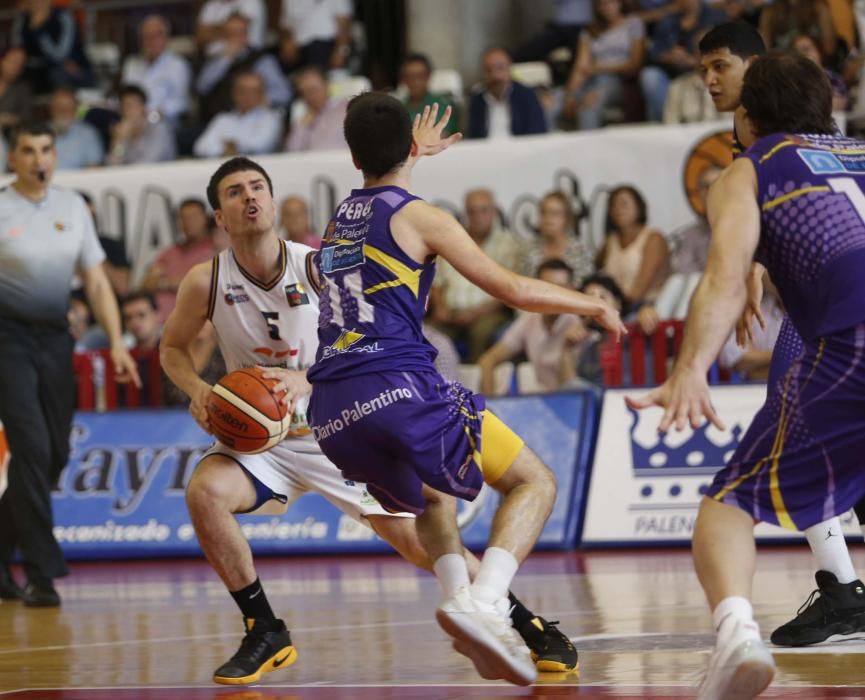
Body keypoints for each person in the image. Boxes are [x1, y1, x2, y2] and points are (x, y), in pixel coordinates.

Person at [160, 156, 579, 685]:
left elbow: (364, 334)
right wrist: (198, 390)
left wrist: (309, 381)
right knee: (204, 493)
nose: (250, 198)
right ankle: (264, 629)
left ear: (271, 198)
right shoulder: (206, 281)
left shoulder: (318, 265)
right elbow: (172, 348)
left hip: (338, 427)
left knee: (416, 543)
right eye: (235, 192)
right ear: (219, 216)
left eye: (258, 187)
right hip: (266, 438)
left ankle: (523, 621)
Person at [307, 97, 624, 685]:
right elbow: (512, 288)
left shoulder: (337, 220)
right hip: (395, 386)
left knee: (431, 497)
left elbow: (384, 201)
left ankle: (459, 596)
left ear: (352, 157)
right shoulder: (425, 217)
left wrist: (406, 155)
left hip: (330, 410)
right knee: (534, 481)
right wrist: (590, 301)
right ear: (408, 148)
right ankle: (484, 602)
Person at [627, 51, 865, 699]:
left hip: (848, 344)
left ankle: (736, 635)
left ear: (746, 116)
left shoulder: (747, 169)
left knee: (727, 505)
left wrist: (689, 369)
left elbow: (722, 279)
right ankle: (841, 592)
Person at [698, 21, 865, 648]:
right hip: (827, 304)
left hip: (834, 324)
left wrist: (743, 275)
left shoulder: (765, 150)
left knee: (793, 419)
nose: (712, 81)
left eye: (721, 68)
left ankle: (844, 591)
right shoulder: (828, 145)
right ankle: (842, 584)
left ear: (755, 72)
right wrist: (757, 271)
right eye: (704, 71)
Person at [0, 122, 139, 607]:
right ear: (12, 158)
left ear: (55, 156)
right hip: (7, 339)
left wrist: (118, 342)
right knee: (32, 449)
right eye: (28, 151)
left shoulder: (72, 207)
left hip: (56, 340)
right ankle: (42, 573)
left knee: (54, 453)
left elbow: (97, 282)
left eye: (45, 150)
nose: (38, 159)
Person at [429, 188, 520, 362]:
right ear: (465, 213)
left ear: (494, 212)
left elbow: (509, 290)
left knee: (481, 332)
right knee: (429, 334)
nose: (477, 216)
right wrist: (440, 308)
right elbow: (437, 282)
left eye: (483, 210)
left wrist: (475, 314)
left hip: (487, 313)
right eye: (472, 211)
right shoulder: (451, 240)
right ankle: (432, 385)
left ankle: (475, 383)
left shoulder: (508, 245)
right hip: (451, 313)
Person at [477, 259, 587, 394]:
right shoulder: (529, 319)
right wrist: (488, 408)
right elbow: (487, 360)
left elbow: (573, 391)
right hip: (545, 401)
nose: (554, 295)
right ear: (534, 287)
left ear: (572, 290)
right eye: (547, 287)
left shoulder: (581, 323)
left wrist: (566, 351)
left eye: (561, 288)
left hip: (579, 401)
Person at [638, 165, 721, 334]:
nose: (711, 190)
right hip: (694, 297)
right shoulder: (690, 234)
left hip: (727, 299)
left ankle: (673, 333)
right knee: (682, 280)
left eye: (717, 183)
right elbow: (681, 272)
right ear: (699, 193)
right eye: (705, 186)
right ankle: (666, 328)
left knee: (696, 279)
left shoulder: (744, 225)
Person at [560, 0, 645, 130]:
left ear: (620, 3)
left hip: (617, 80)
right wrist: (569, 95)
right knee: (552, 104)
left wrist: (599, 68)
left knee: (589, 106)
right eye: (602, 4)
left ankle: (590, 149)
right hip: (589, 80)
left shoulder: (633, 23)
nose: (607, 7)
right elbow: (581, 67)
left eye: (611, 2)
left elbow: (635, 63)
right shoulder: (590, 31)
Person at [196, 13, 291, 125]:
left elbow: (284, 94)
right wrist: (226, 60)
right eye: (229, 33)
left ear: (246, 35)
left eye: (239, 33)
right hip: (215, 123)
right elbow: (202, 87)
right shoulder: (216, 59)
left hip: (249, 122)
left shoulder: (262, 60)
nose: (234, 37)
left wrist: (256, 99)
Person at [141, 198, 216, 322]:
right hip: (157, 325)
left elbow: (202, 284)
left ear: (205, 218)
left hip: (196, 325)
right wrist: (175, 282)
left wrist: (163, 282)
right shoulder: (170, 252)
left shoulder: (216, 248)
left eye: (193, 217)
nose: (188, 222)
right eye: (183, 218)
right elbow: (146, 284)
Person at [596, 185, 668, 306]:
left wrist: (615, 305)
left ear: (639, 207)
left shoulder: (653, 238)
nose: (618, 209)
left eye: (624, 204)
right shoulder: (610, 241)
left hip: (646, 309)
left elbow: (640, 289)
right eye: (613, 205)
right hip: (614, 306)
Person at [120, 15, 192, 126]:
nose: (150, 41)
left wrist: (151, 116)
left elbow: (180, 103)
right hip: (131, 120)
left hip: (161, 122)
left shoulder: (178, 65)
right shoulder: (131, 63)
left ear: (166, 38)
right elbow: (125, 95)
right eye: (146, 36)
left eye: (155, 36)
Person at [194, 71, 283, 159]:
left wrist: (230, 145)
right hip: (221, 167)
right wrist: (228, 148)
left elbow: (260, 147)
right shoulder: (222, 119)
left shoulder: (271, 118)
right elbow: (200, 148)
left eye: (254, 91)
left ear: (262, 94)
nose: (248, 96)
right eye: (243, 90)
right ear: (234, 93)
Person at [11, 0, 94, 94]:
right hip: (37, 69)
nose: (37, 3)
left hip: (72, 68)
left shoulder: (63, 16)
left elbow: (60, 55)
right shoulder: (23, 19)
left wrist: (39, 30)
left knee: (58, 73)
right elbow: (17, 50)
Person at [466, 48, 547, 139]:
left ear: (509, 69)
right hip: (485, 151)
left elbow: (537, 132)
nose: (495, 75)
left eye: (500, 68)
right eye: (489, 70)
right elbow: (473, 137)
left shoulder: (527, 96)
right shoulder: (477, 101)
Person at [522, 191, 594, 282]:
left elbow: (585, 287)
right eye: (544, 212)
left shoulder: (580, 250)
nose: (548, 219)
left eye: (554, 213)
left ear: (566, 218)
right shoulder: (530, 250)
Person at [107, 85, 177, 166]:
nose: (129, 111)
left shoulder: (159, 129)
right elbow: (112, 165)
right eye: (124, 106)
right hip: (131, 177)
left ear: (143, 107)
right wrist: (119, 141)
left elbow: (149, 163)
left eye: (132, 105)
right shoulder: (122, 132)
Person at [285, 66, 348, 152]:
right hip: (310, 162)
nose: (309, 96)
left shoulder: (345, 109)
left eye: (313, 90)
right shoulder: (305, 118)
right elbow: (292, 151)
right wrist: (302, 125)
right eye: (304, 93)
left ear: (326, 86)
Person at [278, 0, 353, 72]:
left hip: (325, 45)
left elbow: (345, 26)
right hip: (298, 48)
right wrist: (287, 42)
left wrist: (341, 51)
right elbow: (285, 25)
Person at [400, 53, 459, 138]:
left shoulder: (442, 104)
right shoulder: (399, 107)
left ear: (428, 76)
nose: (415, 81)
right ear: (403, 79)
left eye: (419, 76)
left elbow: (441, 136)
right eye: (410, 76)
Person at [49, 87, 104, 170]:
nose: (63, 111)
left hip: (79, 182)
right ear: (51, 109)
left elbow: (93, 170)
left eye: (68, 107)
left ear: (75, 110)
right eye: (59, 106)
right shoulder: (40, 132)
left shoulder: (88, 134)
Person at [197, 0, 267, 55]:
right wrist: (228, 29)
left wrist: (210, 30)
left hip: (247, 60)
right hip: (213, 60)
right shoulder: (212, 4)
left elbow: (236, 29)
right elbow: (200, 36)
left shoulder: (252, 1)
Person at [0, 48, 33, 131]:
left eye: (20, 64)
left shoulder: (23, 89)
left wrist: (6, 119)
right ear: (2, 61)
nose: (15, 67)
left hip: (7, 136)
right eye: (13, 62)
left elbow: (25, 118)